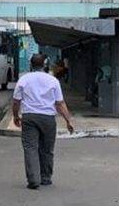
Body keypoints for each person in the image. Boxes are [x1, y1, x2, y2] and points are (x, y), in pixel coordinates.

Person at [12, 54, 76, 190]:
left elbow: (16, 101)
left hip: (29, 117)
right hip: (48, 118)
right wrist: (68, 120)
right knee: (47, 149)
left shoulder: (23, 79)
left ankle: (33, 179)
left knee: (30, 148)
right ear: (45, 65)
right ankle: (46, 178)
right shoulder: (53, 81)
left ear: (31, 65)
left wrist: (16, 116)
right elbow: (60, 103)